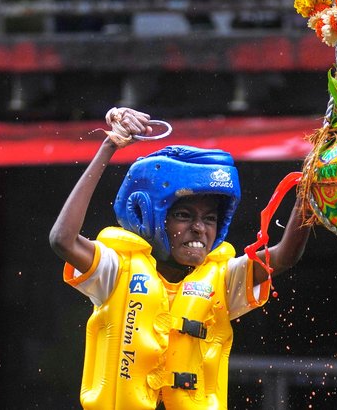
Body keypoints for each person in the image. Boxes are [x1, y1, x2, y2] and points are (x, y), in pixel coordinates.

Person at [49, 107, 311, 409]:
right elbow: (62, 240)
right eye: (184, 216)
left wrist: (308, 194)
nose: (199, 228)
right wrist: (110, 146)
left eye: (209, 219)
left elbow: (285, 255)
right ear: (150, 216)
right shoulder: (116, 270)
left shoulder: (222, 280)